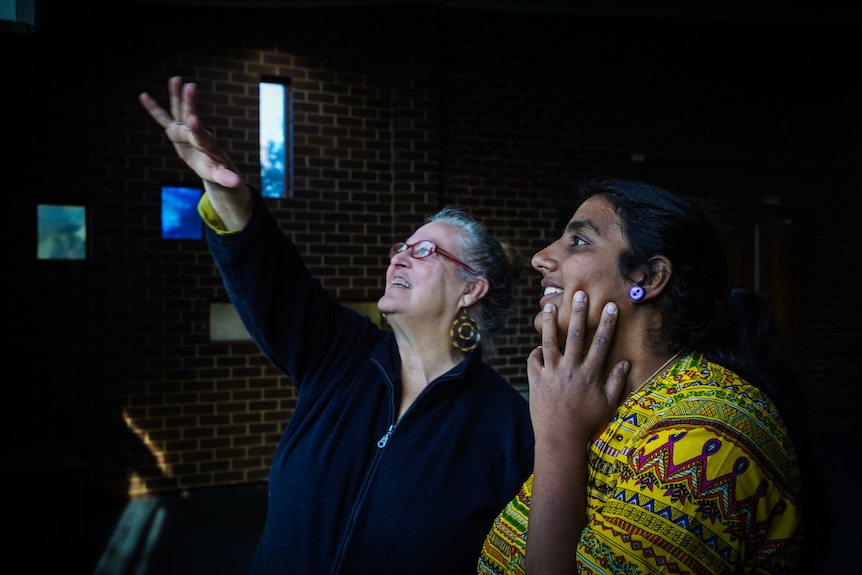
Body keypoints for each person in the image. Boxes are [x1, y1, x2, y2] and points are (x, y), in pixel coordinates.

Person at [138, 76, 535, 575]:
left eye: (425, 250)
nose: (399, 260)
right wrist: (227, 194)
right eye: (400, 248)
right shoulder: (340, 355)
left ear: (471, 289)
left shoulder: (507, 429)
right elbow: (274, 282)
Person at [478, 178, 812, 574]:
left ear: (648, 278)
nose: (540, 257)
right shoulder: (604, 403)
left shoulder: (705, 439)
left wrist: (558, 439)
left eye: (579, 241)